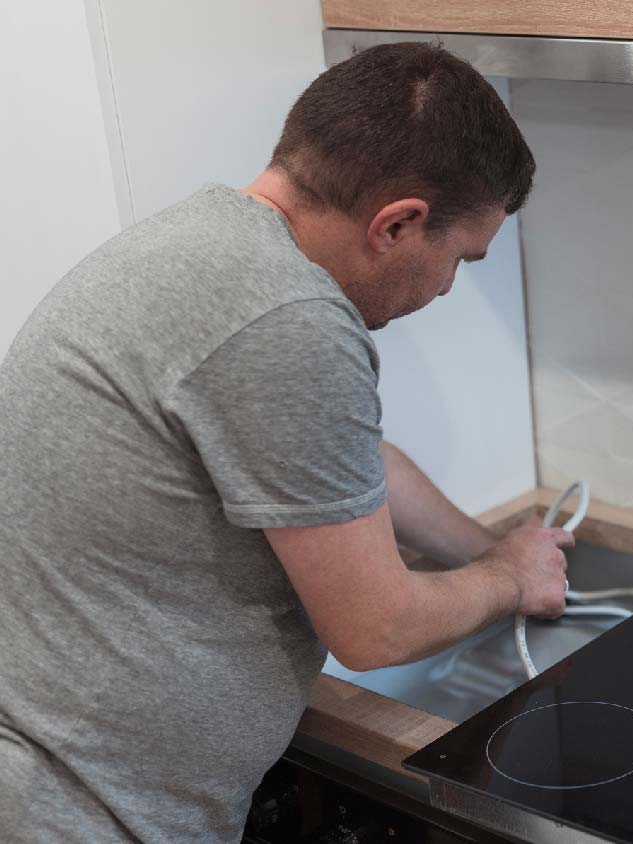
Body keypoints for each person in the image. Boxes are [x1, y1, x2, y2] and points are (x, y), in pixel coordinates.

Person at [0, 42, 569, 843]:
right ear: (398, 223)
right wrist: (505, 580)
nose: (446, 287)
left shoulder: (209, 245)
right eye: (458, 258)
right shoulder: (285, 320)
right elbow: (379, 630)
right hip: (83, 809)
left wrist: (501, 550)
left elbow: (347, 468)